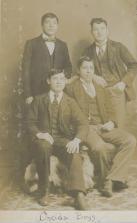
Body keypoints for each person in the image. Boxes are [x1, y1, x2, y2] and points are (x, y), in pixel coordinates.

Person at [65, 56, 136, 197]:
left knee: (130, 140)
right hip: (86, 129)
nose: (88, 71)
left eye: (91, 68)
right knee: (101, 147)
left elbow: (110, 110)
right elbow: (69, 115)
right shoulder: (72, 89)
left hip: (103, 126)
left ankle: (111, 179)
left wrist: (112, 122)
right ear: (78, 71)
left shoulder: (100, 88)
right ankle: (110, 181)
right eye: (85, 68)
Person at [26, 69, 88, 209]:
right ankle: (44, 191)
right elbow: (29, 122)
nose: (59, 81)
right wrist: (39, 134)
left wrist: (76, 140)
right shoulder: (39, 100)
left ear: (65, 81)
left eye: (62, 79)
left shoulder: (70, 102)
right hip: (43, 139)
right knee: (44, 146)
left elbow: (83, 123)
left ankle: (78, 194)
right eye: (55, 78)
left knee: (74, 152)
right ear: (49, 81)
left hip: (62, 139)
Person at [83, 18, 137, 128]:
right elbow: (81, 69)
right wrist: (93, 76)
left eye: (102, 28)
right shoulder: (88, 51)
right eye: (96, 29)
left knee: (118, 125)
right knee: (102, 126)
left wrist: (123, 83)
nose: (99, 32)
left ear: (107, 30)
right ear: (91, 32)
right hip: (97, 92)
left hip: (116, 91)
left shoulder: (118, 47)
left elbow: (133, 65)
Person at [22, 12, 72, 104]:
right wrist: (28, 94)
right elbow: (25, 71)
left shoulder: (63, 45)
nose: (51, 25)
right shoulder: (31, 44)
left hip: (58, 92)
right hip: (36, 92)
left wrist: (62, 79)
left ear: (57, 26)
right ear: (42, 25)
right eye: (47, 22)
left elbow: (68, 66)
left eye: (54, 23)